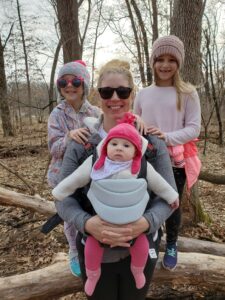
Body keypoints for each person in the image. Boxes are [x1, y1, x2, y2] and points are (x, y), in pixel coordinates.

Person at [55, 59, 178, 300]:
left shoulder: (152, 144)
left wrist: (144, 223)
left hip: (141, 245)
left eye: (122, 91)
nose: (114, 98)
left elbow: (170, 197)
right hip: (94, 249)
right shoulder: (82, 144)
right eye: (106, 92)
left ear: (132, 94)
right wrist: (88, 224)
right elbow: (62, 197)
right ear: (97, 95)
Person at [133, 35, 201, 271]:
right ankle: (150, 240)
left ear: (179, 63)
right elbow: (134, 123)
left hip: (175, 160)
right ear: (152, 62)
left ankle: (171, 244)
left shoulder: (188, 93)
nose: (165, 65)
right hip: (145, 158)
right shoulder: (143, 94)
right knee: (147, 201)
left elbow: (194, 128)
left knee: (171, 203)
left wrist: (167, 137)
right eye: (160, 59)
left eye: (171, 59)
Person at [47, 60, 101, 276]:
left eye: (75, 81)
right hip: (62, 175)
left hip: (90, 175)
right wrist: (69, 137)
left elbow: (105, 139)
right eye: (63, 82)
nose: (69, 86)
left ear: (84, 85)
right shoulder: (57, 114)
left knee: (88, 211)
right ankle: (73, 251)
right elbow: (53, 148)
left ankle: (92, 247)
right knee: (70, 216)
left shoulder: (96, 112)